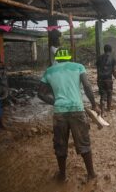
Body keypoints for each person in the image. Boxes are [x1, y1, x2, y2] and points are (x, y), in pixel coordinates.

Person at [38, 48, 101, 182]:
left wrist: (55, 102)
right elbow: (87, 86)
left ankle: (62, 176)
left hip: (59, 112)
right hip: (77, 110)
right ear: (69, 56)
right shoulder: (78, 67)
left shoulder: (49, 71)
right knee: (84, 143)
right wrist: (94, 105)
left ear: (56, 58)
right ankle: (91, 175)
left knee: (60, 145)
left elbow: (41, 94)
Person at [96, 44, 116, 115]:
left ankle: (102, 112)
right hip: (108, 80)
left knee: (102, 95)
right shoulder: (112, 58)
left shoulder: (99, 58)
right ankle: (109, 110)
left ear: (104, 50)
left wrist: (98, 79)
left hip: (100, 79)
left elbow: (98, 69)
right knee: (109, 94)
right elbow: (113, 71)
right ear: (111, 50)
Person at [0, 64, 8, 129]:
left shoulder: (3, 74)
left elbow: (5, 84)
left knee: (0, 110)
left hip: (0, 93)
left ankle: (1, 124)